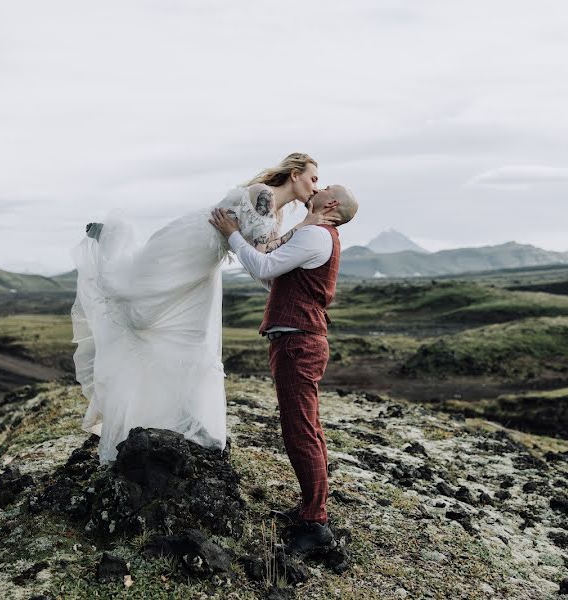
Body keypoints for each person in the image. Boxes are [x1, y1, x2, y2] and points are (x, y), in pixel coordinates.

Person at [70, 153, 338, 464]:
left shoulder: (274, 216)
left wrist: (294, 268)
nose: (316, 187)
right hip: (188, 246)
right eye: (313, 178)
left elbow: (263, 269)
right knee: (134, 301)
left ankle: (178, 421)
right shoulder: (263, 195)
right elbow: (264, 255)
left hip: (203, 270)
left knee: (183, 338)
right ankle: (110, 244)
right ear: (294, 174)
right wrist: (306, 223)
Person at [209, 184, 359, 554]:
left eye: (325, 187)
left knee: (300, 432)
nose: (319, 187)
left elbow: (263, 265)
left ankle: (316, 524)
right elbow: (272, 274)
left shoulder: (316, 235)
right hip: (298, 341)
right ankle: (312, 510)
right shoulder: (317, 234)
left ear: (333, 203)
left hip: (298, 343)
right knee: (306, 430)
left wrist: (232, 236)